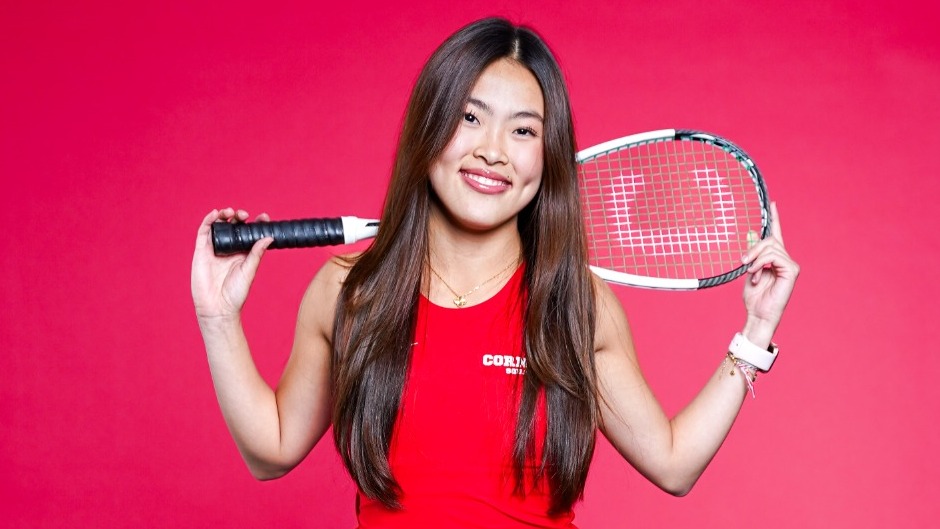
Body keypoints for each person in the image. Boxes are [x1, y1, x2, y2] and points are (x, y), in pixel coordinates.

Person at [191, 17, 799, 529]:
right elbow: (270, 452)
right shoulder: (349, 289)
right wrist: (218, 317)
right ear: (428, 129)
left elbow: (672, 464)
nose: (494, 151)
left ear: (546, 154)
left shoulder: (575, 302)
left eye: (524, 131)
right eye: (470, 118)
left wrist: (755, 333)